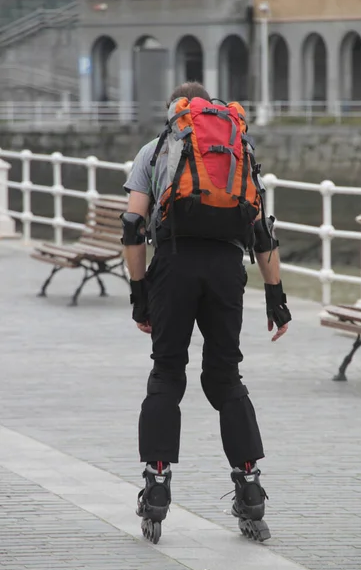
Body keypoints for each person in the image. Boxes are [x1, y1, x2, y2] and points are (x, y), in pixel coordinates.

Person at [121, 81, 291, 545]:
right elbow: (261, 231)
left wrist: (140, 292)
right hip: (225, 269)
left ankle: (157, 484)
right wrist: (276, 298)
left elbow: (134, 226)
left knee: (167, 371)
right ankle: (251, 488)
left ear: (175, 110)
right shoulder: (238, 149)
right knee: (224, 377)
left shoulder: (154, 151)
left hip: (173, 264)